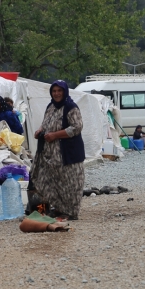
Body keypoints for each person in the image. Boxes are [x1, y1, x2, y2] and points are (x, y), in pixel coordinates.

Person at [30, 80, 85, 220]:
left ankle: (70, 212)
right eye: (54, 91)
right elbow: (45, 123)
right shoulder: (51, 106)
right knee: (53, 181)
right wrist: (40, 130)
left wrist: (55, 135)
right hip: (51, 153)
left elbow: (76, 127)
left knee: (69, 182)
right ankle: (59, 208)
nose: (56, 94)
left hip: (67, 153)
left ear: (65, 91)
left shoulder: (71, 107)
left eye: (59, 91)